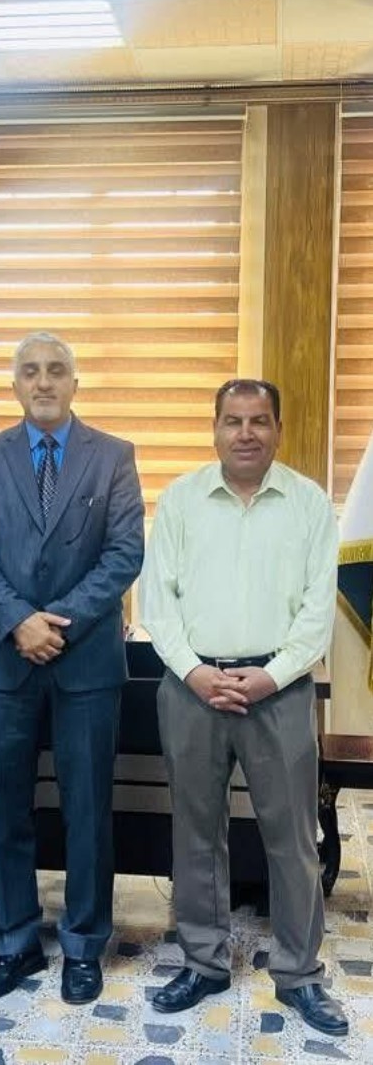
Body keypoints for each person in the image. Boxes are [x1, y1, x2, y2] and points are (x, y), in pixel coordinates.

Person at [140, 378, 347, 1037]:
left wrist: (271, 675)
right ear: (215, 429)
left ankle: (299, 973)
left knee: (294, 840)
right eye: (233, 420)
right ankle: (203, 963)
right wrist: (196, 672)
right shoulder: (180, 501)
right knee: (196, 834)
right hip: (192, 688)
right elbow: (157, 603)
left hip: (279, 691)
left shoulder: (309, 505)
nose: (246, 433)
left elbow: (317, 611)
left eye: (259, 420)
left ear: (278, 430)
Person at [0, 331, 144, 1006]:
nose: (43, 382)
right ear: (15, 385)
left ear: (74, 383)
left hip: (84, 659)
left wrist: (56, 622)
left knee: (87, 810)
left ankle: (85, 944)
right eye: (30, 371)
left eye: (56, 370)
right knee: (5, 810)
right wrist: (19, 621)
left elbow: (124, 553)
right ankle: (14, 941)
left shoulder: (113, 455)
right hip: (2, 659)